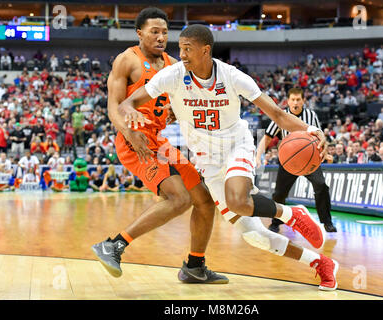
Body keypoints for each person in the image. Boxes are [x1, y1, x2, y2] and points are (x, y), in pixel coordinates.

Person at [118, 24, 338, 290]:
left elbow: (278, 115)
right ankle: (320, 264)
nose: (182, 54)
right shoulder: (172, 75)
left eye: (187, 49)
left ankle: (291, 214)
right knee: (255, 236)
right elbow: (127, 103)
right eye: (180, 49)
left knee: (238, 200)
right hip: (208, 162)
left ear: (205, 50)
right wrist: (129, 113)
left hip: (236, 146)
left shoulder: (233, 76)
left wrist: (312, 130)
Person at [91, 8, 227, 284]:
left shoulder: (174, 64)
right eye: (154, 31)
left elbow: (178, 102)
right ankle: (114, 245)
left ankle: (195, 265)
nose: (161, 37)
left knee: (203, 199)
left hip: (160, 140)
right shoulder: (127, 60)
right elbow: (114, 107)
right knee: (179, 198)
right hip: (135, 142)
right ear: (139, 33)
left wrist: (175, 112)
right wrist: (129, 133)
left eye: (165, 32)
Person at [256, 87, 337, 233]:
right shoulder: (281, 116)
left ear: (303, 101)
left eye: (298, 99)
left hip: (310, 159)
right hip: (289, 161)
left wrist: (325, 155)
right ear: (288, 101)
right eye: (292, 99)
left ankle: (327, 222)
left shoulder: (311, 115)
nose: (295, 102)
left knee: (321, 186)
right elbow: (267, 137)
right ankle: (276, 222)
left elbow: (320, 139)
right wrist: (258, 156)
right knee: (279, 193)